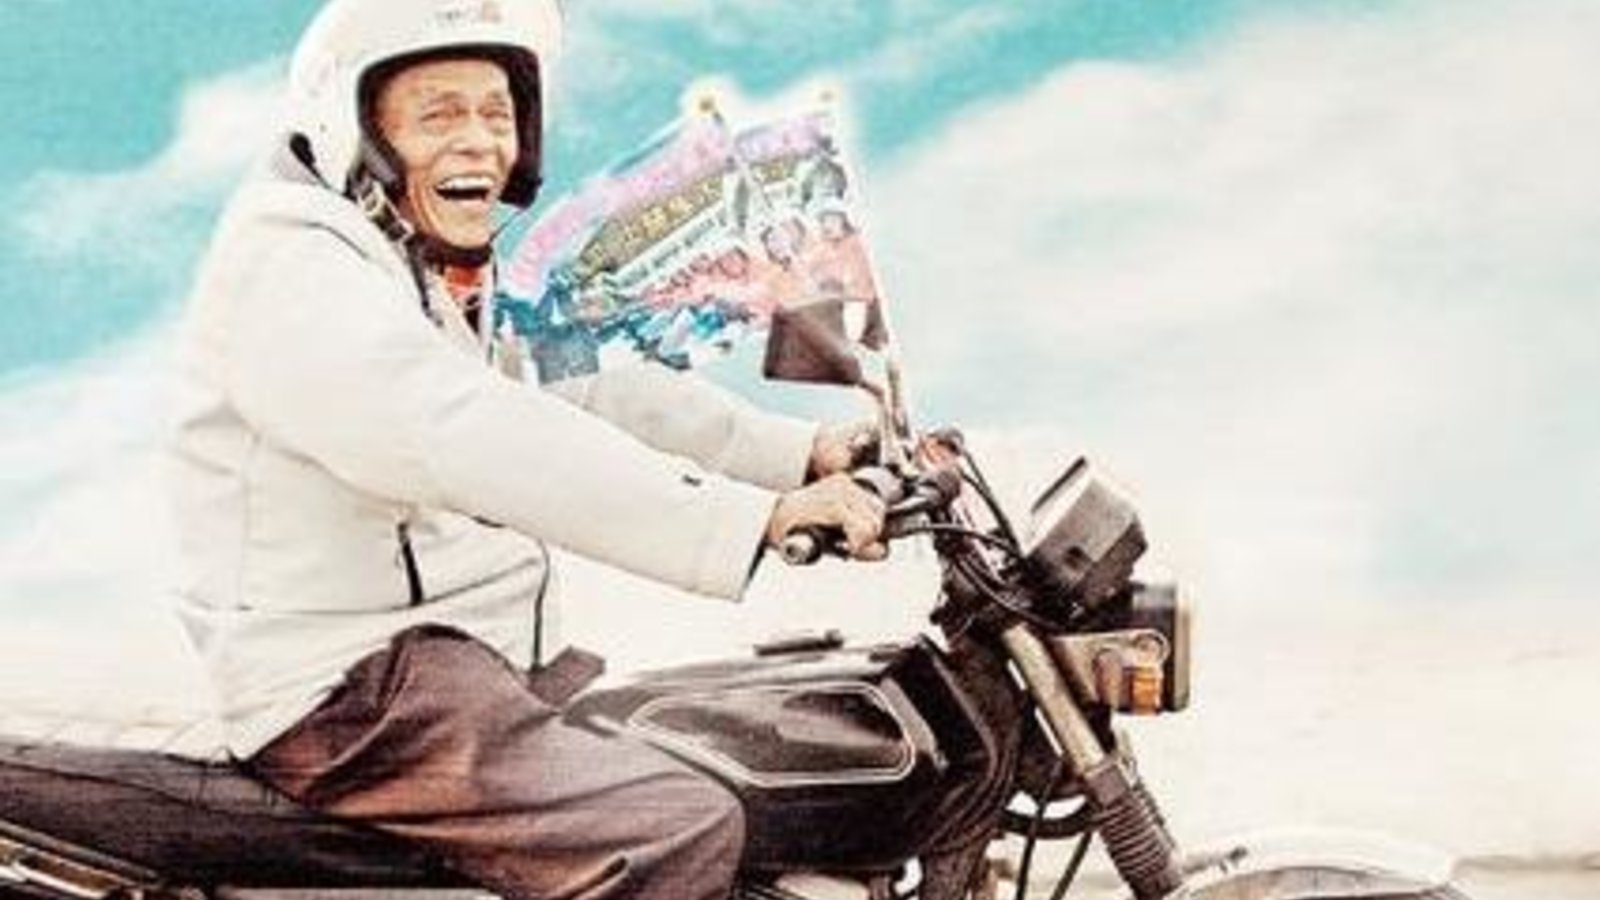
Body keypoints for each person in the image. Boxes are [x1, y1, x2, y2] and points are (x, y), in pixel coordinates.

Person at [169, 1, 886, 899]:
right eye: (439, 115)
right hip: (348, 690)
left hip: (456, 658)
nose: (479, 141)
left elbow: (574, 384)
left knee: (735, 747)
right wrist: (754, 517)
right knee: (672, 829)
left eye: (497, 113)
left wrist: (803, 452)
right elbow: (463, 431)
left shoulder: (414, 262)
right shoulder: (294, 270)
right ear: (356, 129)